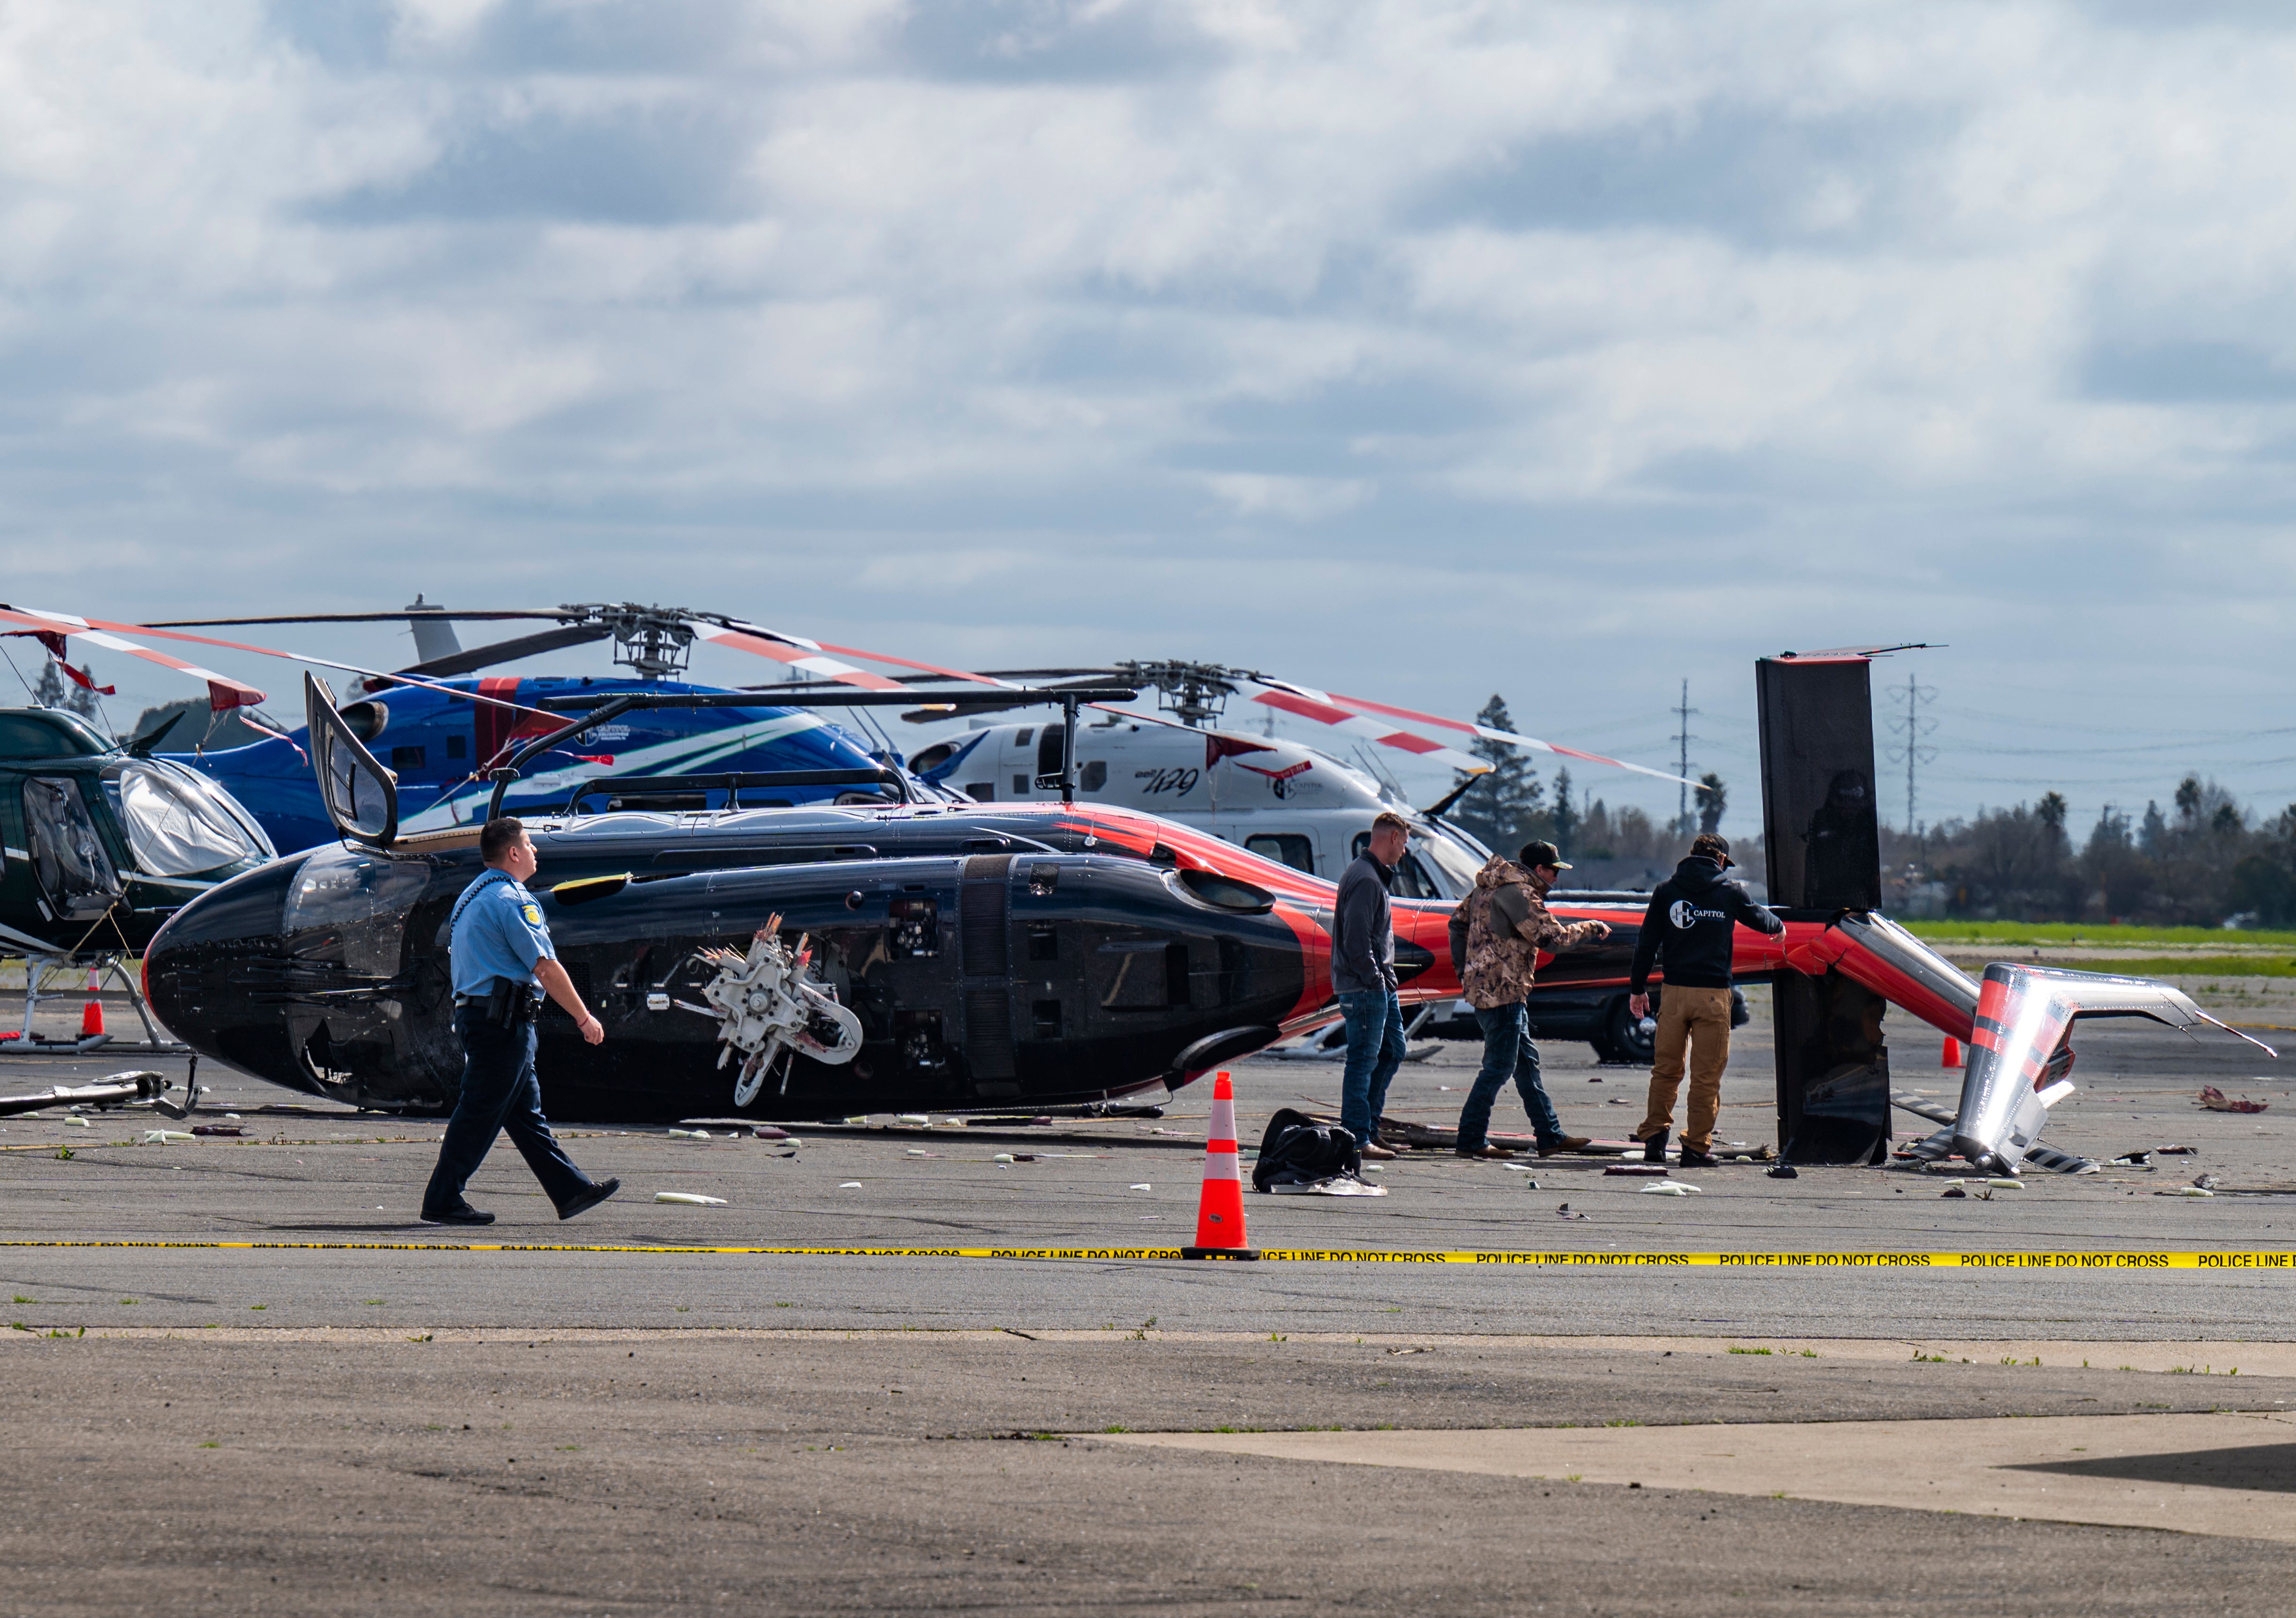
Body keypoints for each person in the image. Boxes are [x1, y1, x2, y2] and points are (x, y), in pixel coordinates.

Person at [420, 816, 621, 1226]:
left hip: (486, 1018)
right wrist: (584, 1017)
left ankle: (571, 1190)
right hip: (503, 1024)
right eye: (529, 845)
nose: (535, 851)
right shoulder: (513, 900)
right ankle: (443, 1197)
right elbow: (545, 967)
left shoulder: (472, 896)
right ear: (513, 852)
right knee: (478, 1111)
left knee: (526, 1115)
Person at [1626, 831, 1783, 1169]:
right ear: (1722, 861)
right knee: (1706, 1076)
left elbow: (1646, 943)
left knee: (1666, 1070)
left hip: (1674, 994)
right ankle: (1696, 1148)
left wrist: (1637, 988)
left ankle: (1654, 1141)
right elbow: (1762, 920)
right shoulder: (1730, 892)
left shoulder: (1666, 891)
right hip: (1713, 996)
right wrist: (1779, 927)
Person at [1446, 839, 1608, 1159]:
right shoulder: (1517, 893)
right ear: (1539, 869)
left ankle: (1550, 1136)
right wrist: (1591, 927)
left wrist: (1464, 971)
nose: (1556, 879)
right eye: (1553, 871)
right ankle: (1470, 1139)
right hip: (1504, 994)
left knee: (1526, 1067)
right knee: (1498, 1068)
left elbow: (1457, 923)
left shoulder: (1486, 888)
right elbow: (1553, 939)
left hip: (1489, 991)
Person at [1332, 810, 1413, 1160]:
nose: (1405, 852)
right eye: (1405, 843)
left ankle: (1369, 1130)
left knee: (1393, 1050)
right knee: (1362, 1061)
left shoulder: (1371, 876)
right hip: (1366, 988)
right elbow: (1356, 940)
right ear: (1393, 838)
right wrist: (1375, 981)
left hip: (1379, 986)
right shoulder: (1366, 879)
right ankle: (1356, 1136)